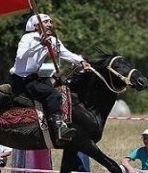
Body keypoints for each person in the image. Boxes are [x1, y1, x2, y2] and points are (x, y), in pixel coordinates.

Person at [9, 13, 90, 141]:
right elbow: (21, 56)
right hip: (22, 79)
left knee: (61, 89)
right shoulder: (27, 38)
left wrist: (80, 61)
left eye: (50, 22)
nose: (50, 25)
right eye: (46, 22)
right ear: (36, 25)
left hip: (36, 77)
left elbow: (66, 53)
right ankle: (58, 128)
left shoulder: (52, 40)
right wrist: (40, 45)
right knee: (54, 95)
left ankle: (55, 123)